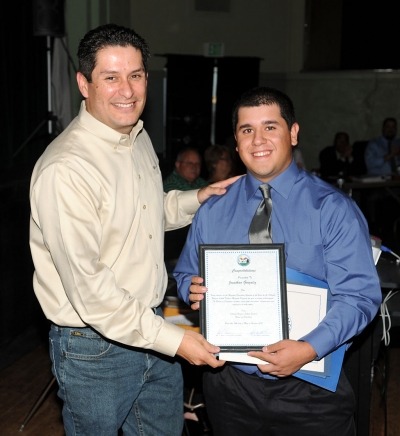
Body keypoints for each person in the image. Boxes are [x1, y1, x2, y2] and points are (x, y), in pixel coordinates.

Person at [28, 24, 237, 436]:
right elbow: (93, 294)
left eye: (136, 75)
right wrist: (176, 341)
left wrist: (198, 199)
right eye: (111, 77)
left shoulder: (134, 135)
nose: (128, 90)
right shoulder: (65, 169)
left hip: (150, 326)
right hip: (94, 349)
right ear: (84, 83)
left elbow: (144, 212)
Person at [174, 86, 381, 436]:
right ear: (236, 142)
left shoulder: (332, 210)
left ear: (294, 133)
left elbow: (360, 297)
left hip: (311, 386)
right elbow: (184, 273)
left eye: (270, 127)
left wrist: (308, 349)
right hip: (230, 384)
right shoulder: (212, 209)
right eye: (247, 130)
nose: (258, 140)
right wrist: (190, 288)